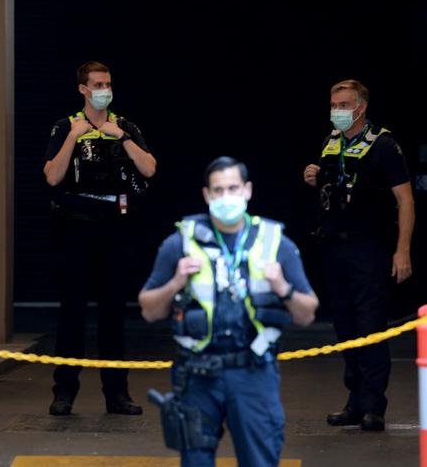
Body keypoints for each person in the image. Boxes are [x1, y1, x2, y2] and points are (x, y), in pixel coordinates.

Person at [139, 157, 318, 467]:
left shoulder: (275, 244)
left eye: (233, 188)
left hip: (252, 373)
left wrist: (282, 287)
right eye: (218, 190)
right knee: (195, 461)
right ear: (207, 195)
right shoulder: (180, 243)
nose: (225, 197)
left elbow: (307, 314)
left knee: (260, 460)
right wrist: (176, 282)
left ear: (247, 190)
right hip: (196, 375)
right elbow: (149, 310)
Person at [43, 61, 156, 415]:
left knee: (113, 313)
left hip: (115, 228)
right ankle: (64, 392)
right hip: (76, 227)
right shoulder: (65, 126)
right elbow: (51, 176)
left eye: (108, 83)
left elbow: (150, 168)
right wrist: (75, 137)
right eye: (97, 84)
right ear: (83, 89)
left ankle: (117, 393)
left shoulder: (125, 125)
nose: (104, 89)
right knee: (72, 312)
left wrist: (119, 136)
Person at [303, 79, 414, 431]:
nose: (338, 111)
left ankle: (373, 405)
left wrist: (402, 251)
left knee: (370, 326)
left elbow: (405, 200)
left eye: (345, 104)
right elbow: (330, 188)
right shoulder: (331, 142)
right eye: (334, 104)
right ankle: (354, 400)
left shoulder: (383, 144)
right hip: (333, 245)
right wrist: (312, 177)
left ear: (361, 107)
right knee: (345, 326)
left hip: (368, 247)